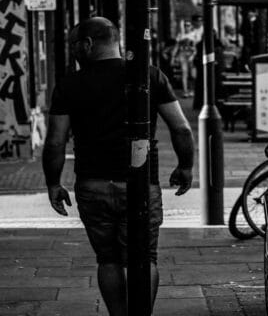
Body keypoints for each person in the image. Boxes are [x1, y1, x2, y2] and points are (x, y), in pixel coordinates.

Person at [43, 17, 195, 316]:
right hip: (139, 184)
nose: (73, 50)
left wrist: (53, 183)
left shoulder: (70, 84)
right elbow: (182, 129)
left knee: (108, 259)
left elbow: (55, 142)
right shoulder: (149, 76)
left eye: (74, 44)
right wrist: (185, 166)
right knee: (145, 258)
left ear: (87, 44)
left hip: (92, 183)